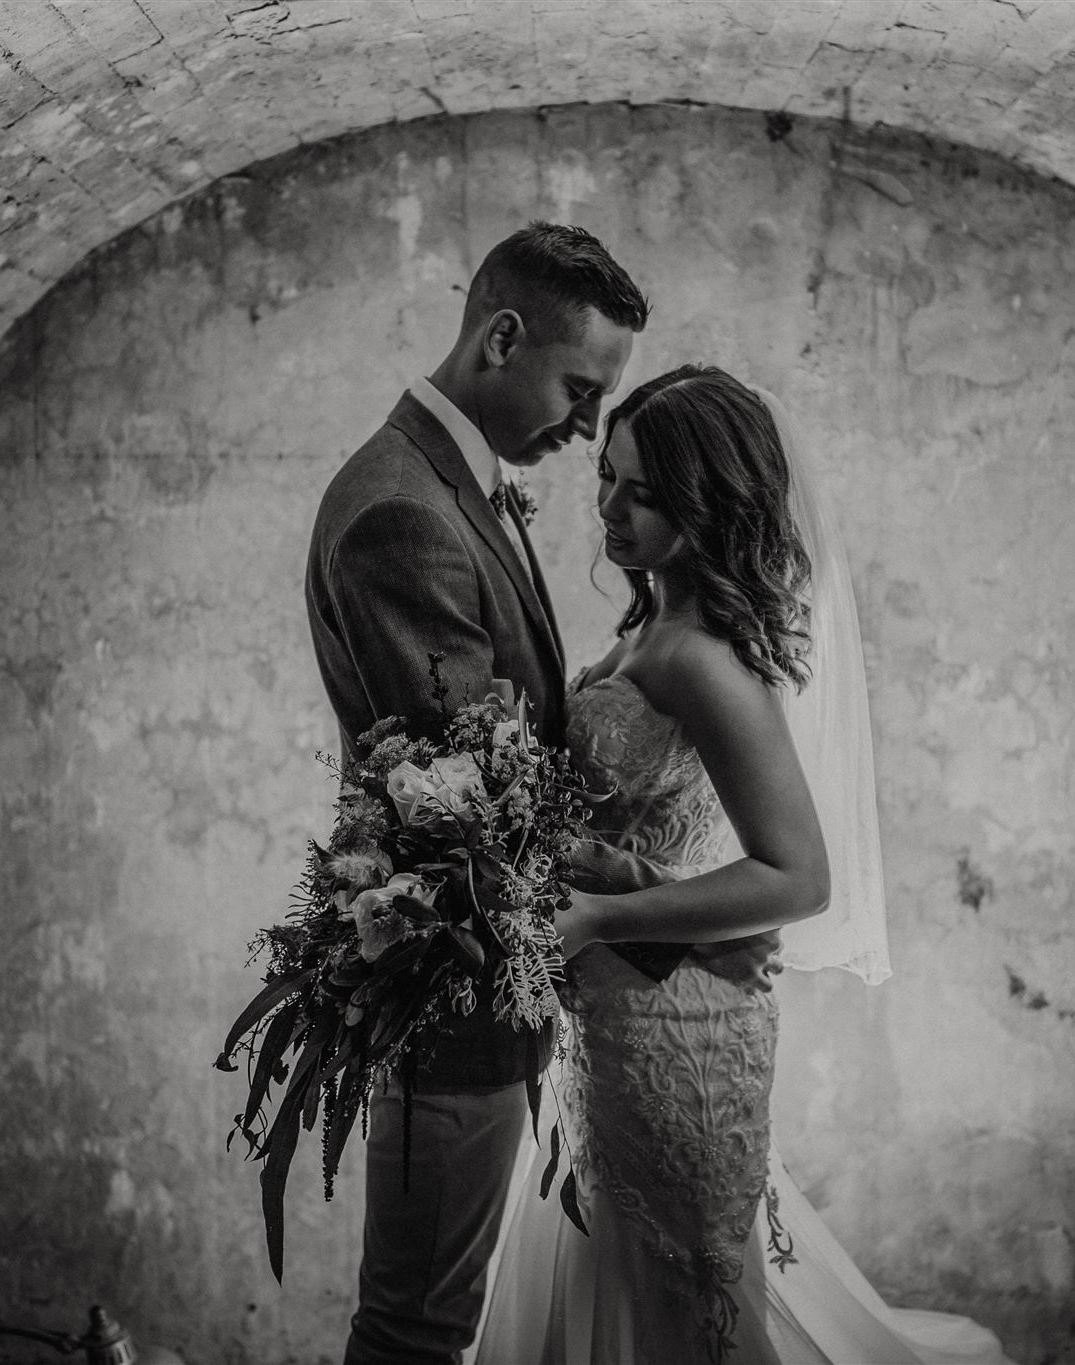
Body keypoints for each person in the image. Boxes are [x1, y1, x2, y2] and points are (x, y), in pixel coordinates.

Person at [472, 367, 1016, 1364]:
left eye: (640, 491)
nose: (608, 507)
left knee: (678, 1293)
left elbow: (796, 877)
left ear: (708, 502)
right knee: (624, 1268)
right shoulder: (651, 623)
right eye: (605, 478)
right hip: (619, 1013)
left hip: (670, 1023)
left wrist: (593, 918)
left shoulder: (699, 659)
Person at [305, 221, 648, 1365]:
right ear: (502, 337)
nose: (588, 425)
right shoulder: (405, 509)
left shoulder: (452, 482)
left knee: (428, 1316)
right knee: (416, 1330)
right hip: (448, 994)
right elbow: (476, 791)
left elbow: (504, 731)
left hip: (479, 981)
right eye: (580, 388)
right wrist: (644, 889)